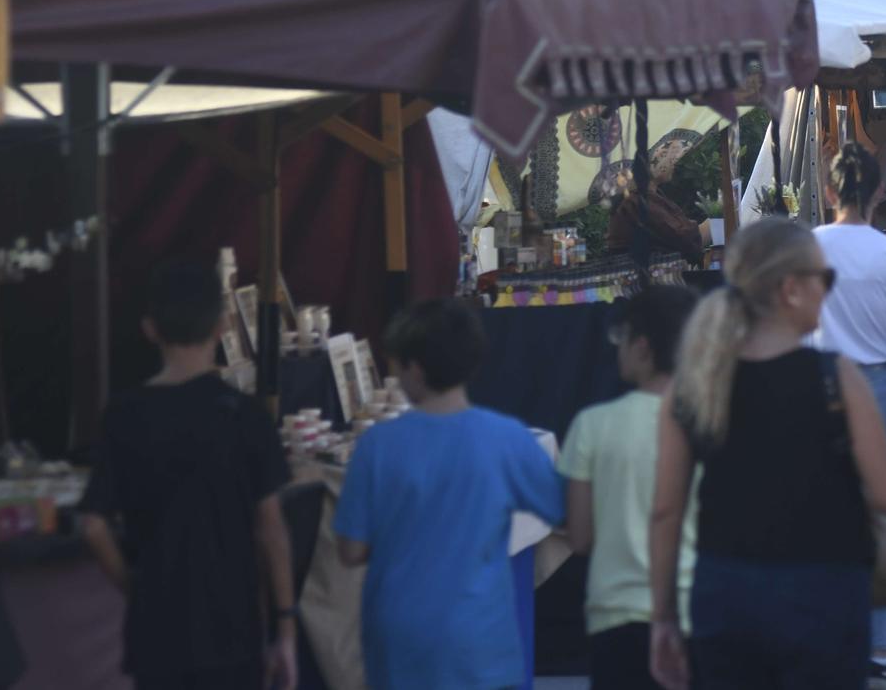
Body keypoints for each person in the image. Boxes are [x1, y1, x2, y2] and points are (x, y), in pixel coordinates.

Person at [649, 219, 886, 690]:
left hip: (723, 590)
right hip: (824, 590)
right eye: (824, 278)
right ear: (791, 289)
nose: (827, 291)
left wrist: (663, 617)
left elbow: (666, 511)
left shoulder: (695, 383)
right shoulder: (836, 378)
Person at [78, 260, 297, 690]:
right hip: (233, 630)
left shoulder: (122, 416)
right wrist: (286, 629)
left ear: (149, 329)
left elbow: (92, 526)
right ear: (220, 327)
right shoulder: (246, 416)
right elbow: (272, 529)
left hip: (157, 633)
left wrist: (135, 589)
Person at [334, 298, 567, 689]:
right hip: (482, 634)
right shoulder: (509, 438)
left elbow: (350, 550)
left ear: (415, 369)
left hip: (400, 637)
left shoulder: (377, 445)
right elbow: (567, 519)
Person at [812, 144, 886, 687]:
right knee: (881, 523)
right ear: (879, 191)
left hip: (818, 385)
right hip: (880, 384)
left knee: (820, 512)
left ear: (829, 192)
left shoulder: (808, 249)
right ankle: (879, 647)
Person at [562, 286, 700, 690]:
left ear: (641, 348)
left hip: (616, 612)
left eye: (619, 340)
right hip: (695, 609)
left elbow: (581, 536)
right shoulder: (710, 425)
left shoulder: (592, 425)